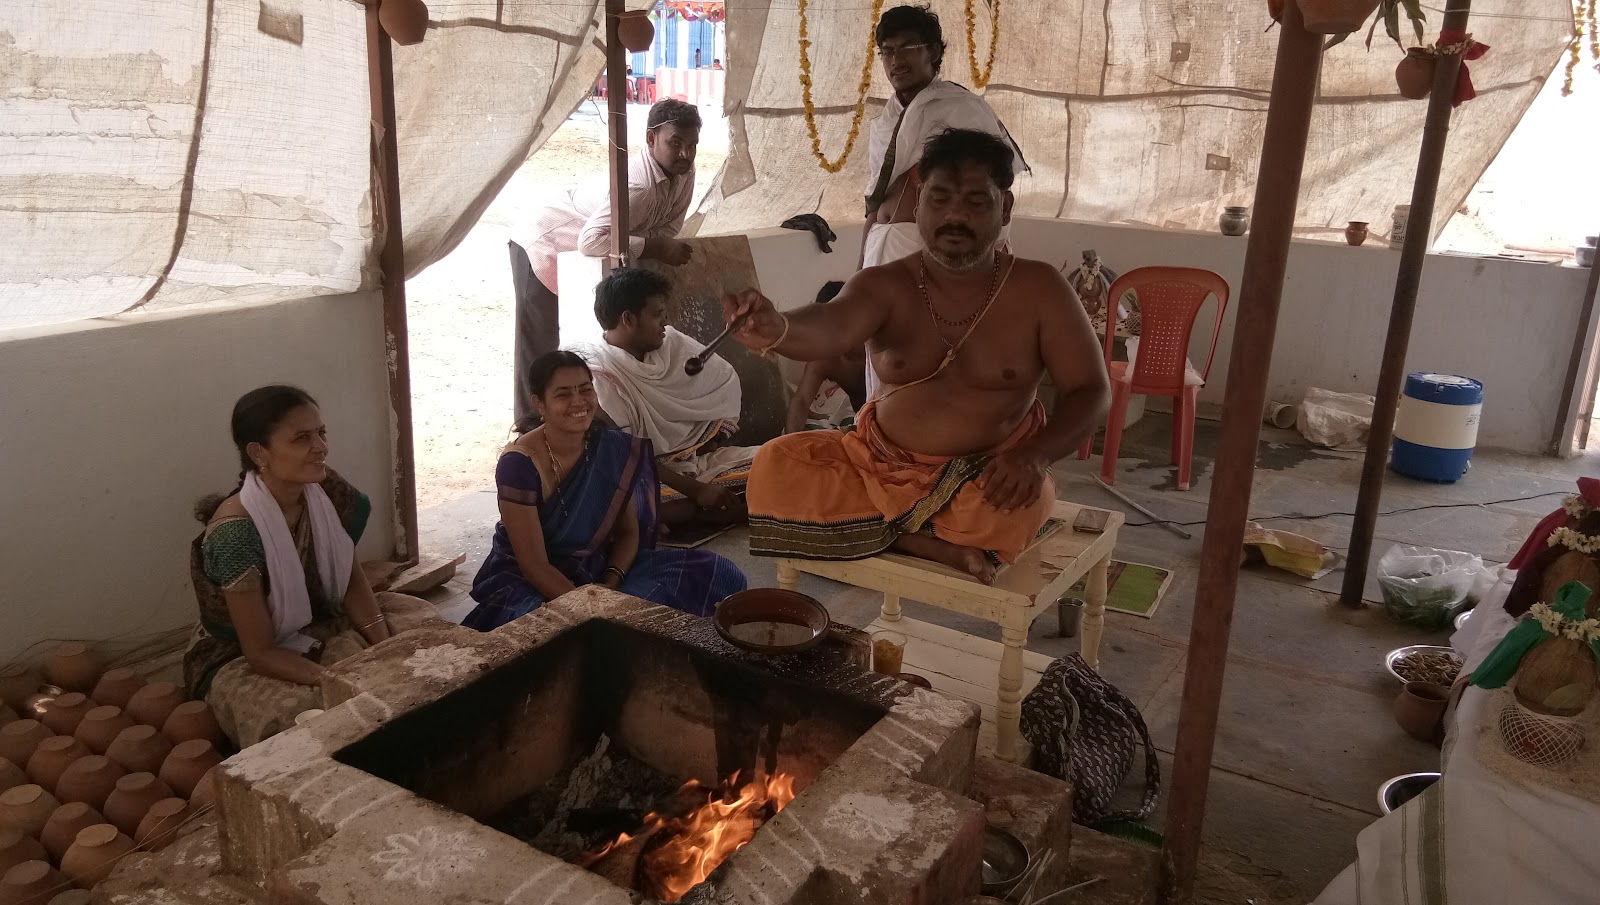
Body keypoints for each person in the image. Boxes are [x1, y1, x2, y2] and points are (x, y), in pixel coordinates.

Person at [725, 129, 1108, 583]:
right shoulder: (883, 284)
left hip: (983, 474)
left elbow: (1090, 390)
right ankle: (921, 541)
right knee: (774, 466)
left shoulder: (1040, 289)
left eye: (975, 202)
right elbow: (830, 325)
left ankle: (883, 530)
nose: (955, 217)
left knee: (1008, 512)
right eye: (940, 199)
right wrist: (778, 326)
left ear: (1004, 207)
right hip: (876, 462)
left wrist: (1035, 456)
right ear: (920, 200)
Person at [185, 386, 440, 746]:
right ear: (259, 453)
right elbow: (259, 651)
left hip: (322, 618)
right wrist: (331, 679)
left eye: (321, 433)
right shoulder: (236, 535)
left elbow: (351, 582)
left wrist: (383, 644)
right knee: (303, 717)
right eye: (302, 438)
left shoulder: (325, 489)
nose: (320, 447)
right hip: (244, 653)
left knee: (425, 630)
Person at [463, 352, 747, 630]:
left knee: (719, 572)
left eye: (586, 390)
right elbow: (534, 564)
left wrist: (610, 583)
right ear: (540, 404)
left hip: (597, 565)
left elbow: (628, 532)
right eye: (563, 394)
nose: (578, 402)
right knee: (546, 632)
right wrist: (589, 607)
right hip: (532, 578)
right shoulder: (519, 465)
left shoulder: (609, 448)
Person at [861, 3, 1027, 399]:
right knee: (880, 355)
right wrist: (861, 263)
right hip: (883, 246)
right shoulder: (888, 118)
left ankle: (928, 449)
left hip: (930, 252)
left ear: (933, 52)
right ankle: (881, 443)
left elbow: (989, 187)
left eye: (907, 48)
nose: (895, 60)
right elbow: (875, 199)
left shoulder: (960, 108)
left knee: (927, 355)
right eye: (886, 51)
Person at [514, 99, 703, 424]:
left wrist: (654, 246)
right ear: (650, 139)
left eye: (692, 145)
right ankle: (530, 428)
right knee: (541, 342)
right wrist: (655, 249)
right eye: (675, 143)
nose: (685, 153)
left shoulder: (684, 173)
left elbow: (669, 226)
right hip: (546, 239)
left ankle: (562, 424)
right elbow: (591, 241)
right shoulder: (639, 187)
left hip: (590, 250)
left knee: (573, 339)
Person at [580, 267, 760, 529]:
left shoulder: (672, 343)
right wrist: (696, 490)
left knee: (774, 459)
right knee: (626, 499)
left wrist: (710, 439)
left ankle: (697, 510)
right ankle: (711, 512)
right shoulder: (595, 372)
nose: (665, 322)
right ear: (628, 319)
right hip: (633, 474)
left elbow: (722, 378)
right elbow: (622, 455)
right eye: (657, 315)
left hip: (694, 466)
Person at [783, 281, 866, 433]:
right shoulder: (823, 358)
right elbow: (801, 401)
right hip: (864, 423)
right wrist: (792, 441)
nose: (837, 333)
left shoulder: (879, 346)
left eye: (843, 322)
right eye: (829, 326)